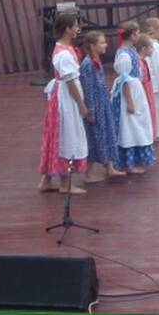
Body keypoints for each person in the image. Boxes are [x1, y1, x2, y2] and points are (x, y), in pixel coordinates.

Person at [38, 12, 89, 194]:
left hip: (63, 96)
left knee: (57, 136)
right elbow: (70, 82)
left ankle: (46, 179)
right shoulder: (64, 55)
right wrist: (81, 105)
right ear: (67, 29)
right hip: (66, 100)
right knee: (67, 136)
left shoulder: (63, 49)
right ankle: (64, 183)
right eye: (75, 26)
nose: (77, 29)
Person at [79, 29, 124, 183]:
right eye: (102, 42)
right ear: (92, 46)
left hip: (103, 103)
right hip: (96, 106)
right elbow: (88, 87)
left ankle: (110, 167)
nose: (105, 45)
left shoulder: (96, 61)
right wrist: (90, 110)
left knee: (107, 134)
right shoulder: (87, 64)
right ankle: (88, 174)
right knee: (95, 138)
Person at [113, 34, 156, 174]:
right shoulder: (124, 55)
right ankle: (127, 163)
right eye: (137, 33)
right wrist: (130, 101)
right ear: (132, 35)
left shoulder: (130, 51)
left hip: (136, 90)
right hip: (130, 91)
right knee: (129, 126)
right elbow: (125, 79)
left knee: (137, 124)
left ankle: (134, 161)